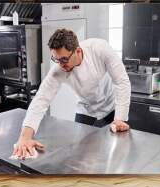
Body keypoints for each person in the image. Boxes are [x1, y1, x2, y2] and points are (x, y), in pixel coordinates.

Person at [12, 28, 131, 159]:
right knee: (81, 153)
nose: (60, 64)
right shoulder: (58, 67)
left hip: (112, 105)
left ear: (78, 51)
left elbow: (121, 82)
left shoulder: (100, 48)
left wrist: (119, 118)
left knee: (118, 151)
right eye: (56, 59)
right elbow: (41, 100)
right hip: (86, 108)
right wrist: (25, 137)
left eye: (64, 59)